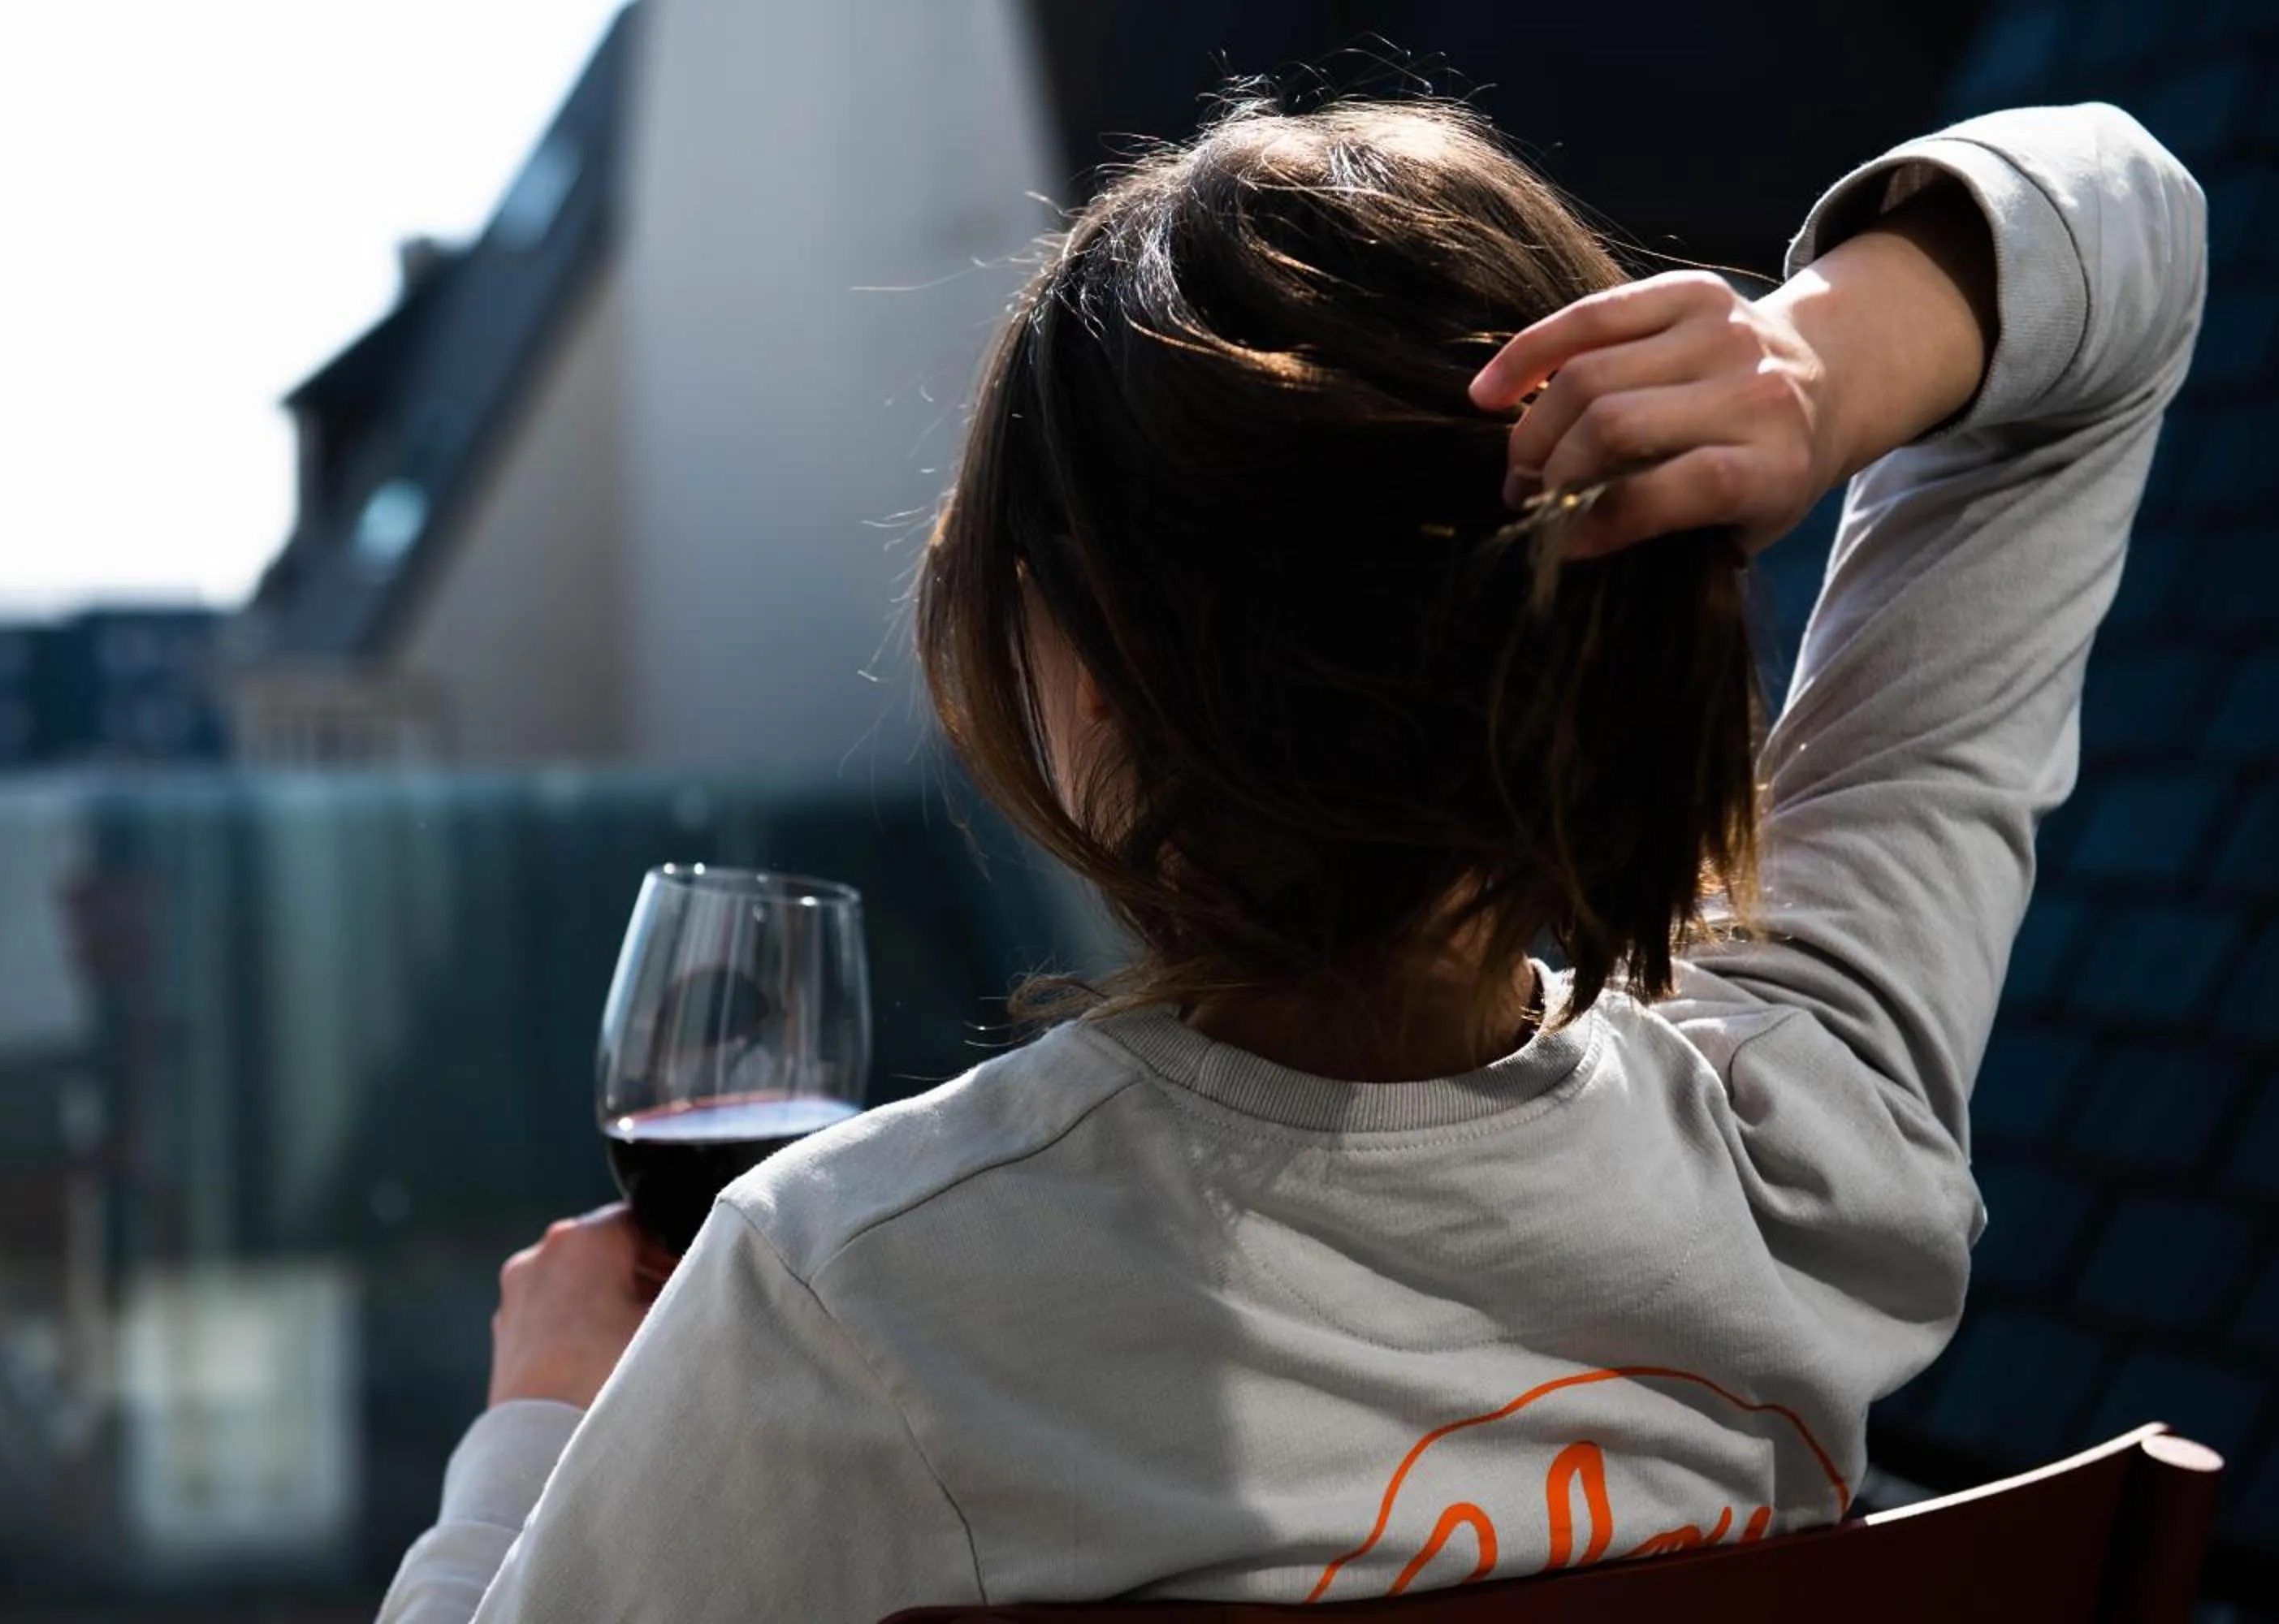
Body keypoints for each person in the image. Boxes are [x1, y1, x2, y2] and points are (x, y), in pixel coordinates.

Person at [379, 93, 2204, 1621]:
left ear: (1080, 668)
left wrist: (537, 1426)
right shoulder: (1817, 1126)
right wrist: (1799, 364)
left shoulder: (860, 1301)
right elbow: (2132, 240)